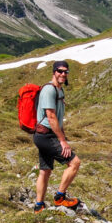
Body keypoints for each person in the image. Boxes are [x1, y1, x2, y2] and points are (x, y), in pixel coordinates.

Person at [32, 60, 81, 212]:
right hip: (46, 135)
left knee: (45, 171)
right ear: (54, 72)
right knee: (74, 163)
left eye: (66, 72)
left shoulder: (59, 90)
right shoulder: (49, 90)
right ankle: (60, 197)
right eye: (60, 71)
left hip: (43, 136)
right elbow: (51, 116)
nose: (63, 74)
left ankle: (38, 206)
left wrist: (62, 135)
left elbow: (57, 117)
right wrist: (62, 140)